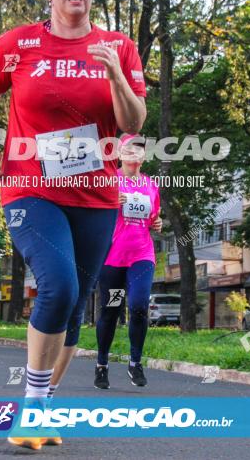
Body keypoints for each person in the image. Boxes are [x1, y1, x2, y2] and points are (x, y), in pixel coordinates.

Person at [0, 0, 146, 450]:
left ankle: (39, 405)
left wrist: (115, 75)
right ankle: (31, 406)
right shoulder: (17, 44)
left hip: (96, 195)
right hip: (30, 187)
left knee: (73, 311)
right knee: (59, 287)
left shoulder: (119, 47)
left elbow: (133, 123)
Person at [94, 134, 162, 389]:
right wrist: (110, 203)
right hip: (112, 260)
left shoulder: (150, 185)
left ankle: (135, 363)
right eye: (129, 148)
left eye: (140, 149)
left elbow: (154, 218)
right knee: (111, 311)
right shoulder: (109, 180)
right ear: (120, 154)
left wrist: (158, 223)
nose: (135, 152)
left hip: (141, 256)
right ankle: (102, 365)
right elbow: (92, 214)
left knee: (139, 305)